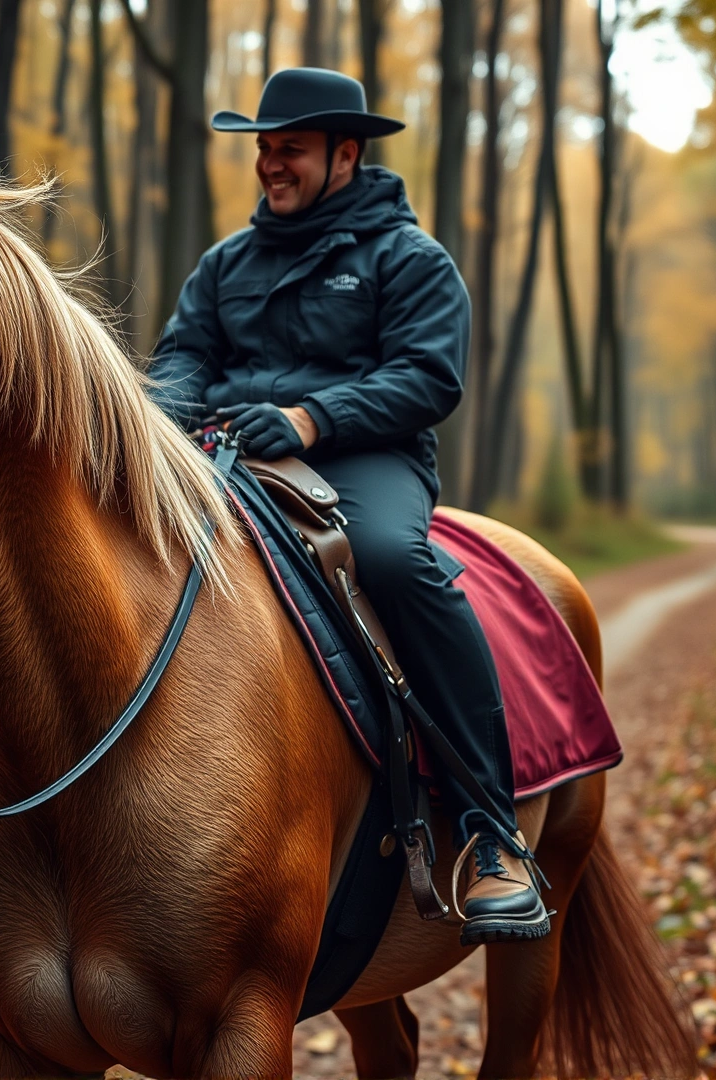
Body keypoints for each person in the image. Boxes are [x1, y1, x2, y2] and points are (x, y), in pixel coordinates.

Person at [147, 67, 548, 945]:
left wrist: (308, 418)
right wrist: (155, 414)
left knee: (396, 563)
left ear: (345, 154)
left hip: (368, 458)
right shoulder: (225, 265)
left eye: (288, 148)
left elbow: (427, 378)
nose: (270, 164)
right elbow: (182, 357)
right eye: (263, 149)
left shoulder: (410, 260)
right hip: (226, 452)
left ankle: (491, 828)